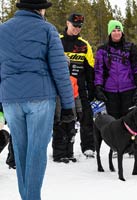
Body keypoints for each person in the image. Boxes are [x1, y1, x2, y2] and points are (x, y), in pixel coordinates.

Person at [0, 0, 75, 199]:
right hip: (40, 98)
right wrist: (68, 105)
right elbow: (60, 70)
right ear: (40, 9)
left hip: (11, 100)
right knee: (36, 152)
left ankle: (27, 197)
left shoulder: (2, 30)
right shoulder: (47, 30)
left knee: (21, 150)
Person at [60, 13, 96, 158]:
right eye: (74, 26)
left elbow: (90, 69)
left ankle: (88, 147)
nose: (77, 29)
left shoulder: (84, 45)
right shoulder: (57, 41)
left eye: (79, 27)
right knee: (63, 118)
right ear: (67, 23)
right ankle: (63, 149)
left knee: (86, 116)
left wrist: (92, 89)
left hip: (80, 88)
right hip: (61, 88)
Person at [94, 20, 137, 119]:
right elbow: (98, 70)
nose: (116, 33)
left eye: (118, 30)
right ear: (109, 33)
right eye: (114, 30)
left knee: (131, 122)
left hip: (129, 90)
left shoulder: (130, 47)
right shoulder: (102, 50)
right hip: (110, 92)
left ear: (122, 32)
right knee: (114, 123)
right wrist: (98, 88)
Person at [52, 64, 83, 163]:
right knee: (60, 134)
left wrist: (79, 110)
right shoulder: (52, 80)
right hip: (58, 113)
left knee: (71, 133)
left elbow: (76, 96)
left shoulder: (73, 80)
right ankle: (59, 155)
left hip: (71, 113)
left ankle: (70, 153)